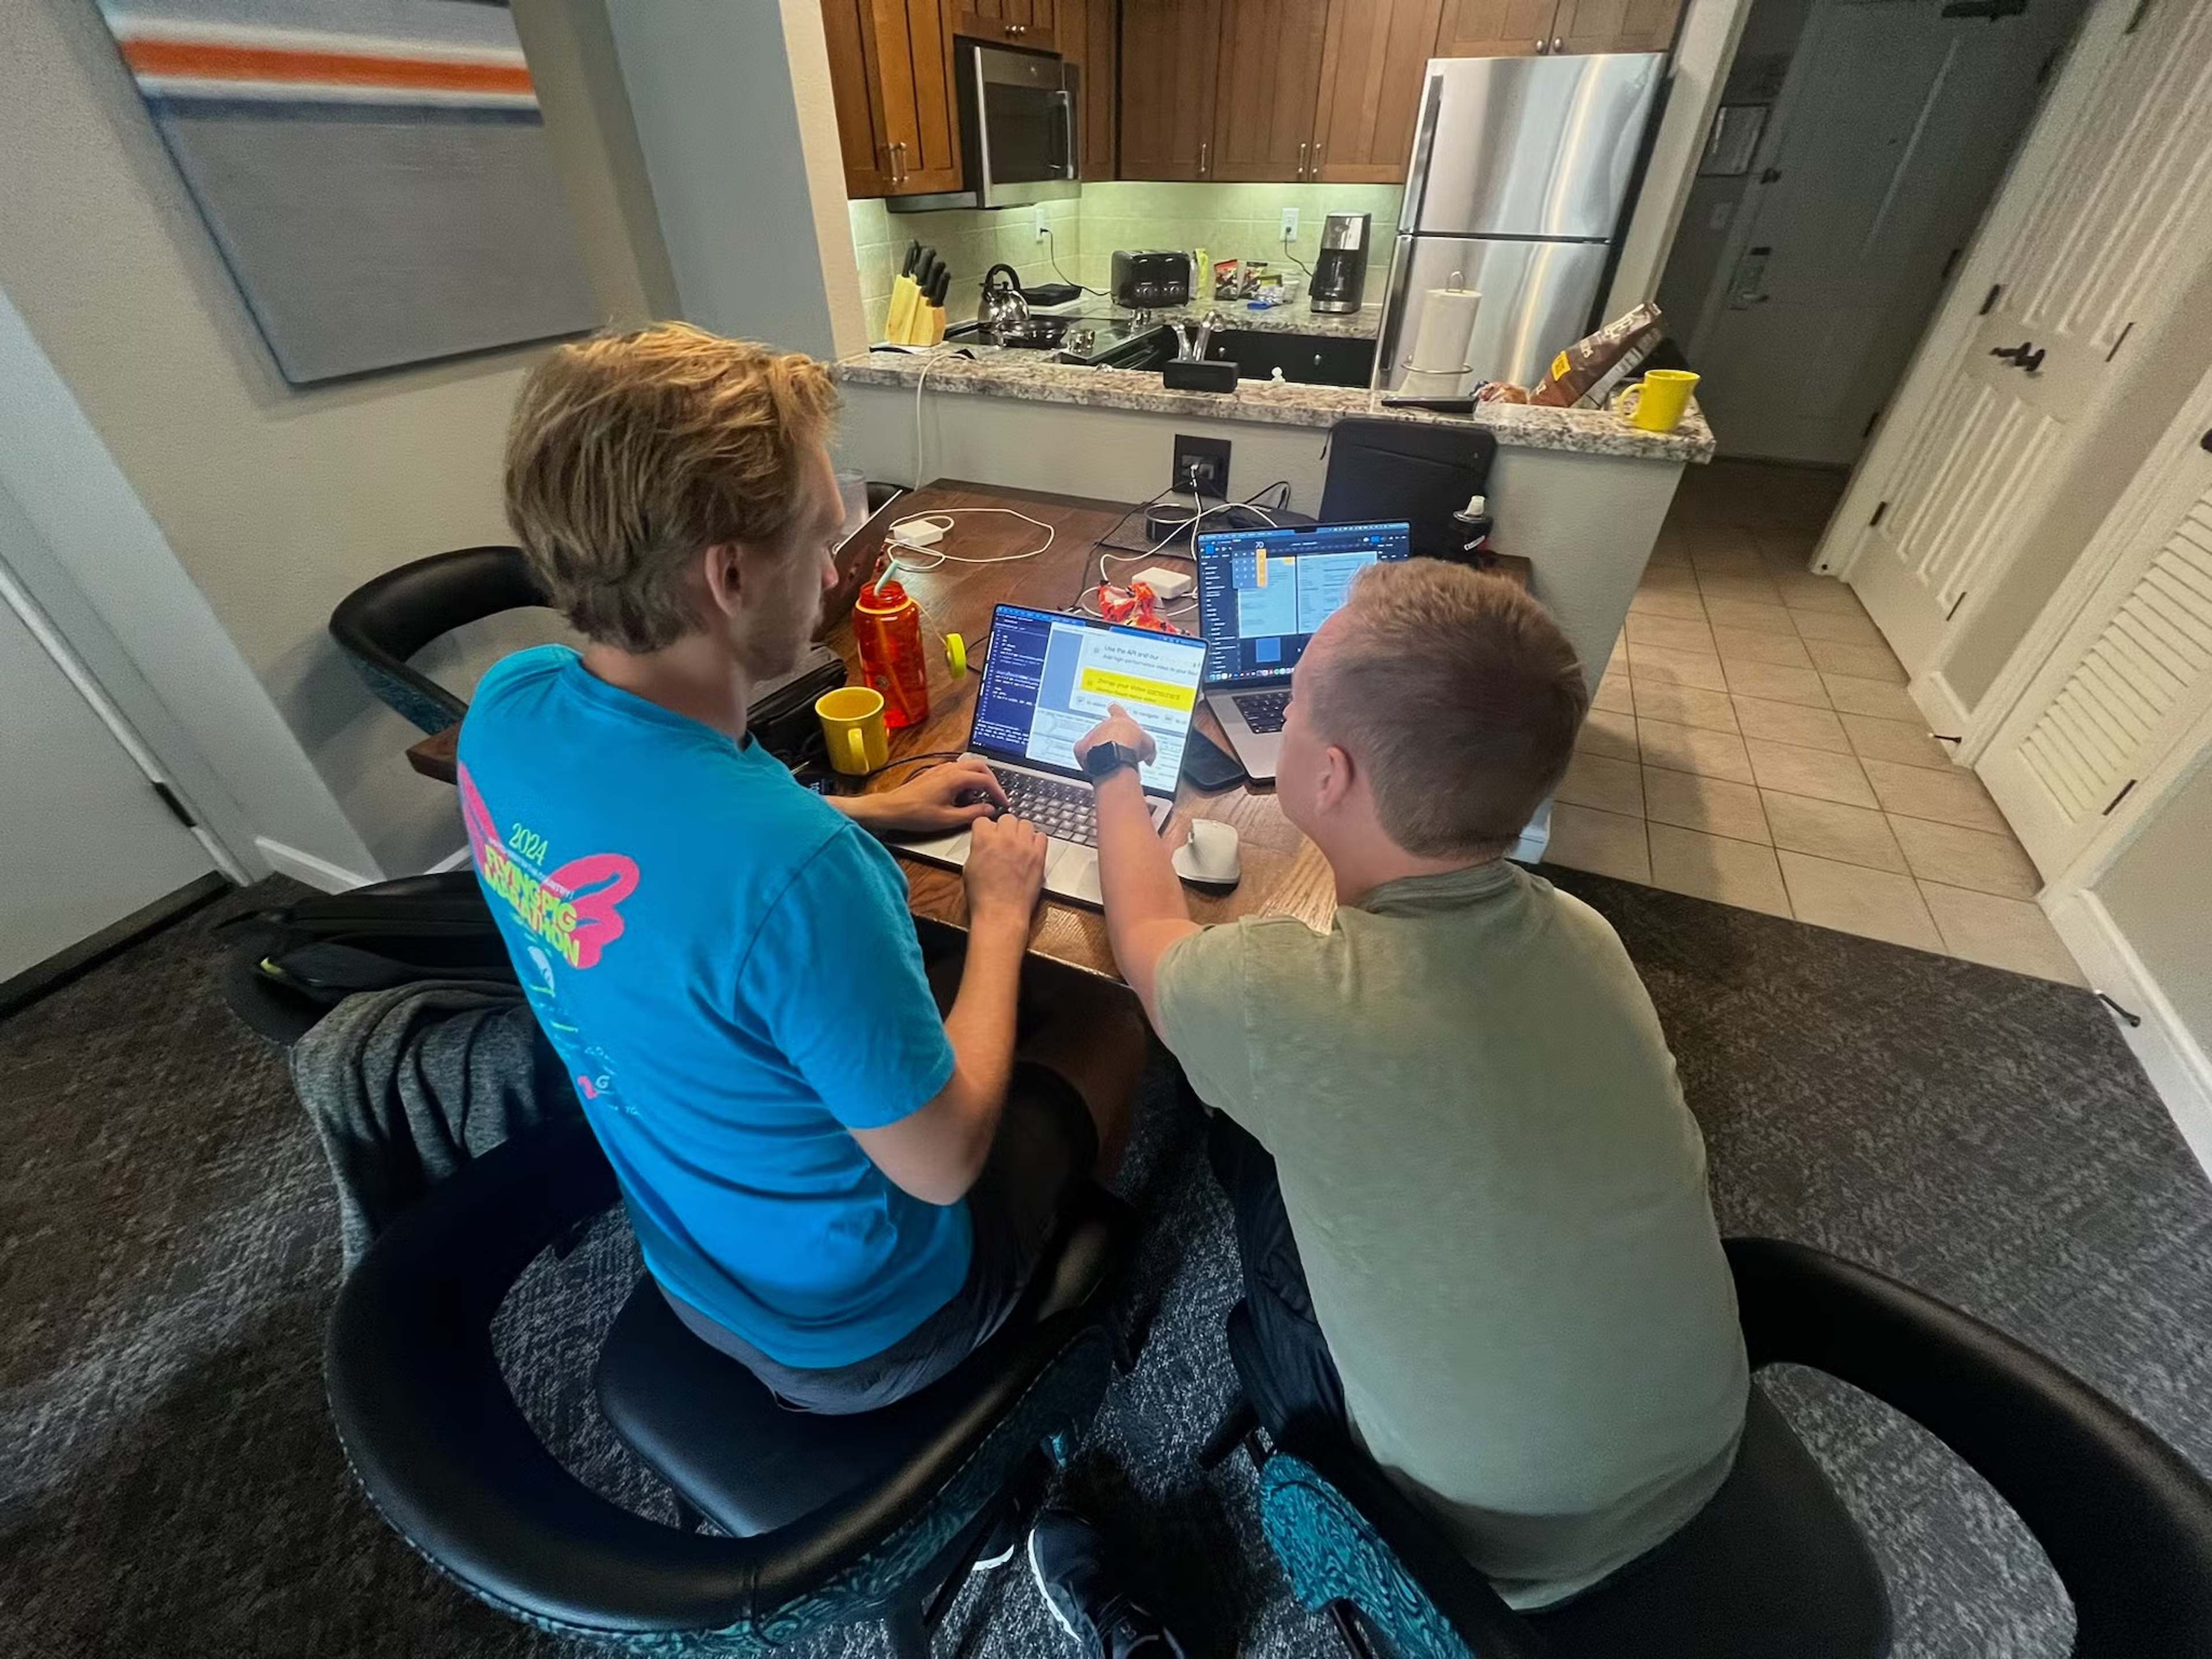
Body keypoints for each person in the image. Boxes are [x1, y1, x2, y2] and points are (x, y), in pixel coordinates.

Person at [459, 323, 1153, 1418]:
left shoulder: (508, 707)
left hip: (690, 1261)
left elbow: (666, 852)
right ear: (729, 576)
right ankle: (1048, 1353)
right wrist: (1004, 909)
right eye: (824, 539)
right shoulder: (802, 873)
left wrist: (872, 808)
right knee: (1110, 1016)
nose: (836, 572)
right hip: (859, 1330)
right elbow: (938, 1167)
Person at [1075, 559, 1751, 1612]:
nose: (1283, 715)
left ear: (1332, 775)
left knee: (1242, 1145)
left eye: (1290, 705)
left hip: (1481, 1558)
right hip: (1703, 1453)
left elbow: (1147, 935)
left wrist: (1118, 768)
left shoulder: (1279, 996)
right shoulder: (1589, 934)